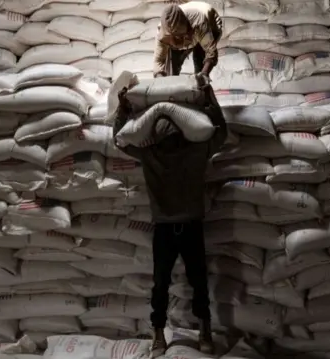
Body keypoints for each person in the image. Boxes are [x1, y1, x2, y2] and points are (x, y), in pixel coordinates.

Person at [112, 85, 227, 358]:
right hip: (189, 226)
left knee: (161, 283)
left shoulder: (150, 153)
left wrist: (123, 110)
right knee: (195, 281)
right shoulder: (195, 150)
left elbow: (119, 140)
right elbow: (221, 133)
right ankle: (202, 331)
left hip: (166, 228)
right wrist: (210, 101)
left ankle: (159, 335)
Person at [153, 1, 223, 80]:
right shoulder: (162, 33)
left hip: (210, 23)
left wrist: (204, 74)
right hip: (188, 31)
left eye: (179, 37)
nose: (176, 42)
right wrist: (161, 79)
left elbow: (211, 52)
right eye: (174, 39)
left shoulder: (198, 22)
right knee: (171, 72)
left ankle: (202, 86)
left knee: (199, 64)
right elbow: (158, 61)